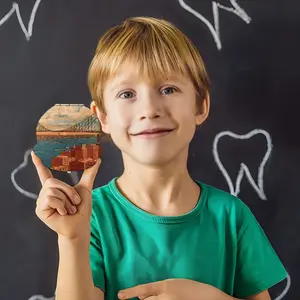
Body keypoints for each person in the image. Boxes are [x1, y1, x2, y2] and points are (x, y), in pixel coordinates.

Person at [32, 16, 287, 300]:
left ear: (200, 106)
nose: (150, 109)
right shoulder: (91, 217)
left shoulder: (231, 217)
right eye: (127, 93)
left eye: (168, 89)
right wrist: (72, 239)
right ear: (102, 117)